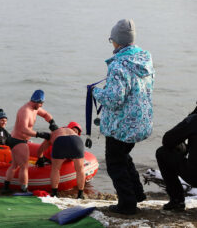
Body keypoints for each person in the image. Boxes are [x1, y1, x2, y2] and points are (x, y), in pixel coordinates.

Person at [92, 19, 155, 215]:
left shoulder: (119, 65)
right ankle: (136, 194)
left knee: (114, 163)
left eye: (112, 40)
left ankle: (127, 204)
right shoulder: (145, 59)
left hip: (121, 125)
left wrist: (95, 92)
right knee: (123, 156)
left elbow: (113, 99)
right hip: (140, 122)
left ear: (117, 42)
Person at [2, 89, 57, 193]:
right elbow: (24, 129)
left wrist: (52, 122)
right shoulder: (25, 111)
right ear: (37, 102)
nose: (41, 106)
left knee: (14, 165)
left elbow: (46, 114)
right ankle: (24, 189)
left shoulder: (35, 108)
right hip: (18, 140)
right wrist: (40, 134)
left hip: (17, 139)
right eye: (41, 104)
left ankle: (5, 188)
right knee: (24, 166)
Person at [156, 104, 197, 212]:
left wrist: (184, 148)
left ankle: (177, 200)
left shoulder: (194, 120)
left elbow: (168, 140)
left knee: (162, 153)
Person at [37, 122, 85, 199]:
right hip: (76, 140)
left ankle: (55, 194)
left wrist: (40, 159)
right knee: (80, 169)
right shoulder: (73, 132)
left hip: (60, 140)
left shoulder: (53, 133)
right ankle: (80, 194)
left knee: (56, 169)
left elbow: (40, 150)